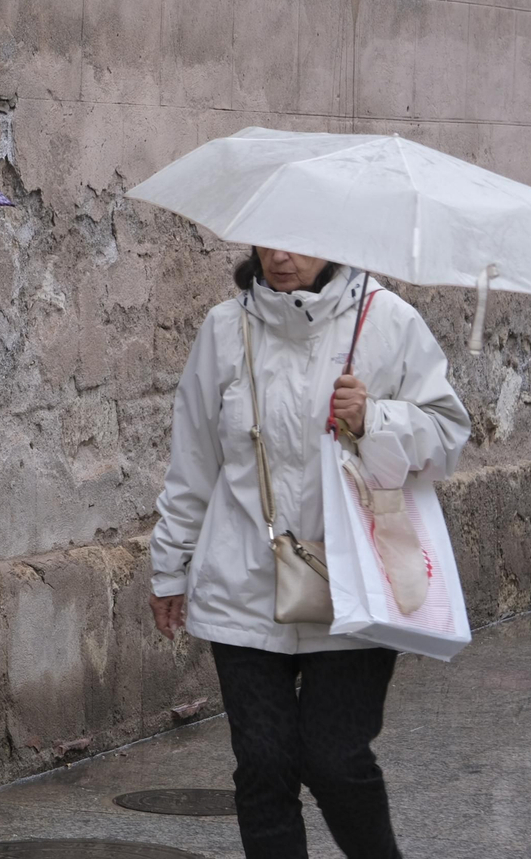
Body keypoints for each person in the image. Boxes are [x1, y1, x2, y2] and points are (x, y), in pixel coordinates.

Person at [147, 246, 470, 859]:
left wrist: (376, 417)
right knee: (264, 766)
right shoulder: (225, 329)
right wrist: (170, 567)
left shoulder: (390, 322)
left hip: (356, 583)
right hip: (244, 582)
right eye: (267, 240)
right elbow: (192, 462)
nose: (280, 255)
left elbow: (449, 437)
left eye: (296, 241)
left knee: (335, 759)